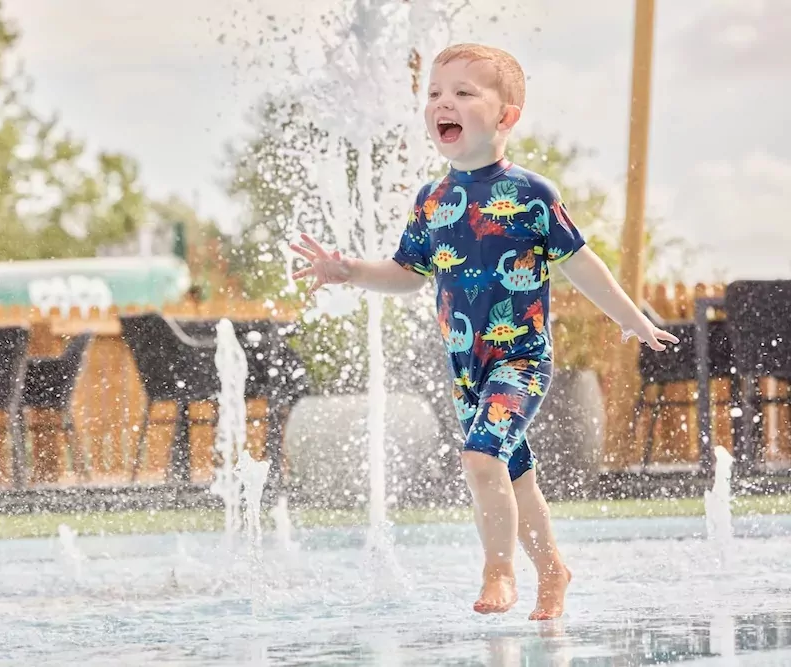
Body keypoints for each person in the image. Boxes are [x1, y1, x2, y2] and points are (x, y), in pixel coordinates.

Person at [288, 43, 678, 620]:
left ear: (506, 116)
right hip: (466, 370)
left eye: (464, 93)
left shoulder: (531, 195)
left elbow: (580, 261)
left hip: (520, 360)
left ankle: (499, 569)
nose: (444, 103)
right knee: (512, 474)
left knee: (478, 458)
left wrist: (633, 319)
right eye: (435, 94)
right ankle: (553, 571)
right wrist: (349, 271)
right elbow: (406, 274)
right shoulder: (432, 200)